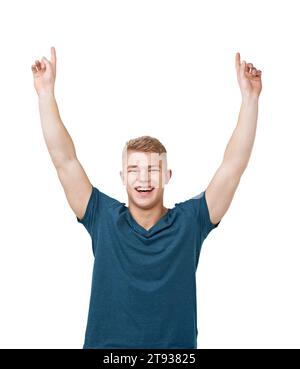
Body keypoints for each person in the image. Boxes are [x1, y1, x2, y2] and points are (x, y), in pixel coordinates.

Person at [31, 47, 262, 349]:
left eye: (153, 169)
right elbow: (64, 160)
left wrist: (251, 100)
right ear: (123, 177)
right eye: (134, 169)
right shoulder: (103, 217)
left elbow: (233, 167)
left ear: (167, 176)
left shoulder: (190, 222)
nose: (143, 178)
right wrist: (46, 93)